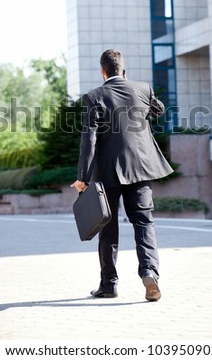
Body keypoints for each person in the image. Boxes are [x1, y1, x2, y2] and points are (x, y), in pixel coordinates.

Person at [71, 49, 173, 301]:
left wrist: (82, 177)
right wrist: (140, 95)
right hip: (141, 168)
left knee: (108, 227)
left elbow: (89, 140)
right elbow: (159, 110)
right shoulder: (142, 89)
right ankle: (150, 272)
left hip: (108, 173)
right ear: (123, 70)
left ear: (103, 71)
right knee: (144, 221)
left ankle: (109, 284)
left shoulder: (94, 96)